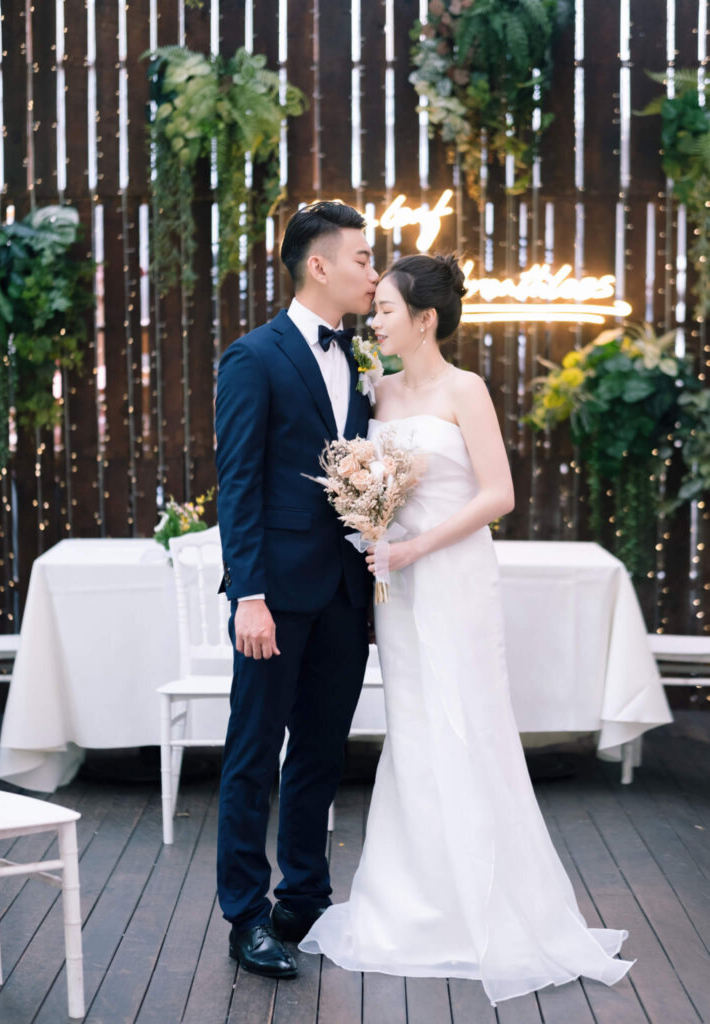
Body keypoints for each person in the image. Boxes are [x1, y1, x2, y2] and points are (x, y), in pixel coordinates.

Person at [299, 253, 636, 1006]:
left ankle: (488, 906)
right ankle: (411, 902)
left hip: (452, 577)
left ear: (424, 319)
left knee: (468, 723)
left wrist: (415, 545)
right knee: (414, 729)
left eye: (386, 310)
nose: (374, 321)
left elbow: (498, 495)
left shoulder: (465, 390)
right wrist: (375, 527)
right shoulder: (375, 392)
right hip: (397, 588)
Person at [214, 201, 378, 978]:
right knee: (253, 753)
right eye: (362, 259)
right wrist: (247, 595)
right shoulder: (254, 357)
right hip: (274, 595)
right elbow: (238, 484)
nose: (373, 273)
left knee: (319, 753)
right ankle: (246, 915)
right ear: (319, 265)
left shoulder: (366, 359)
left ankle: (303, 899)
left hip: (345, 592)